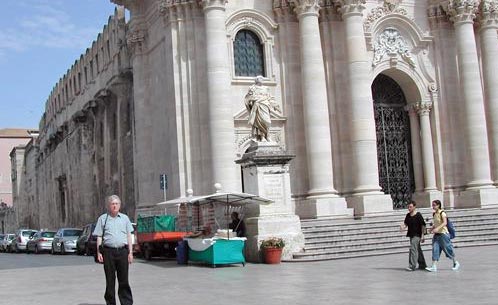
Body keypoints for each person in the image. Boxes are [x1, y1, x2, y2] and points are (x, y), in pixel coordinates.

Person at [94, 195, 134, 305]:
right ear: (109, 206)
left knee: (124, 280)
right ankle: (111, 303)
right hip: (108, 252)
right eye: (112, 204)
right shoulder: (103, 219)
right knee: (110, 281)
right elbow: (99, 236)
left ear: (120, 205)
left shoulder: (125, 218)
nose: (115, 206)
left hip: (122, 252)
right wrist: (99, 252)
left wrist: (130, 252)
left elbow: (129, 236)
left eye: (117, 203)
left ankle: (126, 302)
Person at [425, 199, 460, 272]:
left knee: (448, 249)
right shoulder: (434, 214)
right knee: (435, 249)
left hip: (443, 234)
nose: (433, 206)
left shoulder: (442, 213)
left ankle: (455, 263)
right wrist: (431, 229)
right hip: (437, 235)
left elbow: (444, 223)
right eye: (433, 205)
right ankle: (434, 266)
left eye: (434, 205)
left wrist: (437, 228)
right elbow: (436, 223)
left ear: (438, 205)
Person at [244, 75, 281, 141]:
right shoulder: (252, 88)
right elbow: (248, 98)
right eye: (260, 78)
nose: (262, 79)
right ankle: (262, 136)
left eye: (262, 78)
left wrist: (275, 105)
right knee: (259, 122)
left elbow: (270, 98)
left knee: (267, 121)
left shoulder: (266, 88)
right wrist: (251, 101)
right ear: (256, 80)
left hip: (265, 106)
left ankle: (267, 135)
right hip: (258, 106)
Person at [399, 200, 427, 271]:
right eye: (408, 207)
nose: (409, 208)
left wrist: (423, 236)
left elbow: (423, 225)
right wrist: (402, 227)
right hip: (411, 234)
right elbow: (406, 224)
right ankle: (422, 264)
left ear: (414, 207)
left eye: (410, 207)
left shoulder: (418, 215)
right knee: (417, 249)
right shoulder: (408, 215)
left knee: (413, 249)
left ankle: (412, 266)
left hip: (417, 235)